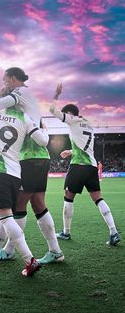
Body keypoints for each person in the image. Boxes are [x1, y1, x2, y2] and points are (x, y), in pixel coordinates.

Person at [0, 68, 64, 265]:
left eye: (5, 81)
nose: (3, 84)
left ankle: (8, 250)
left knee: (18, 206)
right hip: (40, 158)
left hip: (29, 157)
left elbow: (39, 137)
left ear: (13, 79)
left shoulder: (20, 94)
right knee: (38, 204)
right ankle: (55, 251)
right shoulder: (28, 99)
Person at [0, 105, 49, 277]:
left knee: (6, 218)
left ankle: (29, 260)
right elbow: (43, 141)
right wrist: (44, 130)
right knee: (5, 217)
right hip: (16, 173)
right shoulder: (23, 116)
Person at [50, 84, 121, 246]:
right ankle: (113, 231)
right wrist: (70, 150)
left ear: (70, 113)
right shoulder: (88, 123)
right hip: (91, 166)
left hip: (78, 166)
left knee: (68, 197)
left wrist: (56, 94)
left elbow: (52, 110)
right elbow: (84, 147)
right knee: (98, 198)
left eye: (66, 114)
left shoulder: (72, 120)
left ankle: (66, 232)